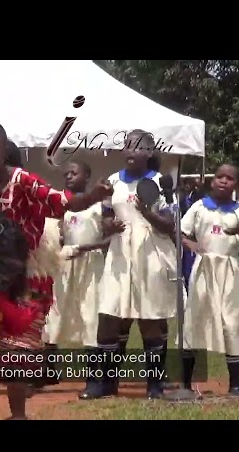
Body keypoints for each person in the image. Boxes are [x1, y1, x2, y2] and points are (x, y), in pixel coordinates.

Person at [0, 121, 112, 419]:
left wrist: (92, 197)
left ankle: (18, 414)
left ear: (3, 155)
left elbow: (62, 202)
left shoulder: (23, 181)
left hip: (25, 274)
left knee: (17, 348)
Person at [80, 129, 176, 401]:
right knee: (108, 316)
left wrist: (147, 213)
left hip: (151, 253)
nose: (130, 151)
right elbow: (105, 218)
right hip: (120, 252)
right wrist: (108, 224)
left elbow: (169, 225)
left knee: (150, 320)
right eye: (126, 146)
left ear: (149, 152)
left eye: (137, 146)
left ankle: (155, 385)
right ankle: (105, 383)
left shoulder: (160, 182)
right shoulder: (112, 181)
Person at [46, 161, 109, 395]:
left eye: (74, 172)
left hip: (90, 265)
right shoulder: (64, 206)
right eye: (66, 174)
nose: (69, 176)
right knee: (54, 313)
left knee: (90, 316)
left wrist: (90, 246)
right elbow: (59, 236)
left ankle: (94, 380)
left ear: (87, 176)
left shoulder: (99, 207)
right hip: (66, 262)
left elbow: (108, 237)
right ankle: (48, 371)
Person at [181, 164, 239, 396]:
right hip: (203, 268)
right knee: (195, 319)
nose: (224, 181)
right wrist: (192, 244)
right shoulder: (199, 207)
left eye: (230, 178)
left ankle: (235, 384)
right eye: (220, 177)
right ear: (212, 180)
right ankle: (185, 383)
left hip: (230, 270)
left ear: (236, 185)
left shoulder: (237, 211)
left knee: (232, 322)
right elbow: (182, 232)